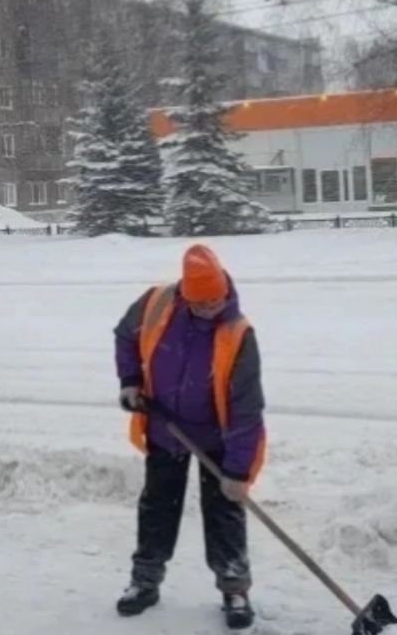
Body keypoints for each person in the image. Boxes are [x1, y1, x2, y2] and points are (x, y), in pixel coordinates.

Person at [114, 244, 266, 631]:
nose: (210, 310)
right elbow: (125, 336)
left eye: (216, 302)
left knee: (224, 513)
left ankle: (234, 587)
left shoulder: (238, 334)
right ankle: (145, 581)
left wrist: (237, 471)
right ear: (185, 295)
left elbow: (246, 409)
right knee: (157, 508)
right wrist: (131, 382)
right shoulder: (157, 303)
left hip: (217, 437)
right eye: (201, 305)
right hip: (165, 429)